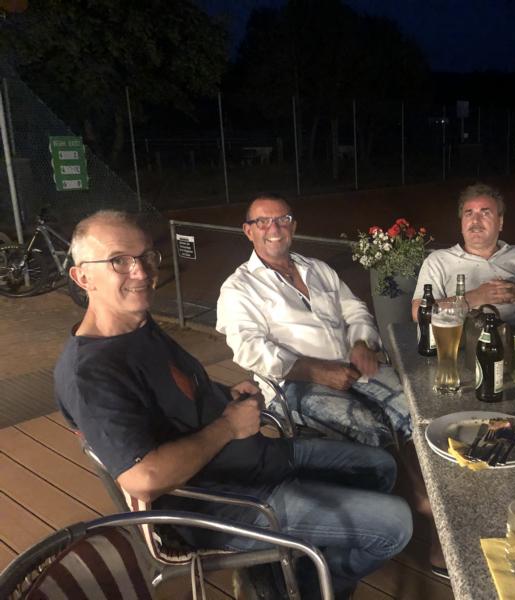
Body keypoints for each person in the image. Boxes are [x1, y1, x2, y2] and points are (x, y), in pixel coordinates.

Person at [54, 210, 412, 599]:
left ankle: (287, 565)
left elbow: (179, 394)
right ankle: (303, 587)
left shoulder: (137, 327)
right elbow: (144, 478)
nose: (141, 272)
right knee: (396, 524)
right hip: (227, 504)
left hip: (255, 458)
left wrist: (227, 396)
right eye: (119, 261)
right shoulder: (91, 373)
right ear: (82, 277)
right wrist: (228, 427)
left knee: (381, 466)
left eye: (146, 257)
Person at [216, 194, 412, 448]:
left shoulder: (318, 269)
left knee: (416, 413)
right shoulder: (239, 287)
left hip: (353, 368)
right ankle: (390, 471)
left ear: (293, 226)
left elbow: (355, 310)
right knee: (371, 435)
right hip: (294, 383)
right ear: (248, 231)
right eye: (262, 221)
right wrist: (316, 371)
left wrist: (361, 343)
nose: (274, 228)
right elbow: (249, 349)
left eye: (283, 219)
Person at [411, 182, 515, 323]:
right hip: (467, 337)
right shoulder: (438, 260)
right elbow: (418, 312)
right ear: (461, 224)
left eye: (485, 213)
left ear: (500, 223)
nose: (475, 221)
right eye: (468, 214)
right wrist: (474, 297)